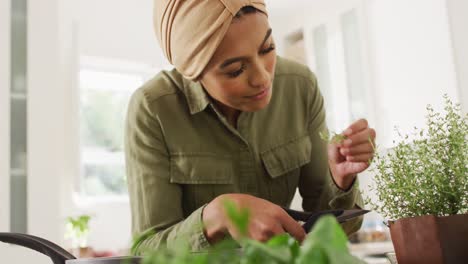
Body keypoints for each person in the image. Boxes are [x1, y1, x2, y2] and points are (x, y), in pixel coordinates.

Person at [125, 0, 376, 254]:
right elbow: (145, 252)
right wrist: (215, 217)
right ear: (193, 71)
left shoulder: (300, 86)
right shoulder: (153, 109)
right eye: (235, 70)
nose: (262, 78)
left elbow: (332, 232)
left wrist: (340, 180)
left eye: (268, 48)